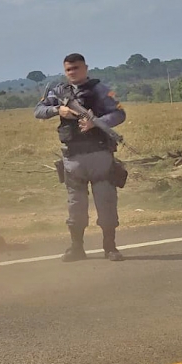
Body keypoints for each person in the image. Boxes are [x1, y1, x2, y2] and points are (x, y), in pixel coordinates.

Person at [34, 53, 127, 262]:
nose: (72, 72)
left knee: (106, 203)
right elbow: (38, 111)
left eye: (76, 68)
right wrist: (59, 110)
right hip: (74, 157)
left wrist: (96, 122)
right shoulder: (58, 92)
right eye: (68, 69)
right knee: (76, 207)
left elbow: (120, 114)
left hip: (100, 154)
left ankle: (110, 247)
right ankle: (77, 248)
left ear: (85, 68)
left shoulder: (100, 90)